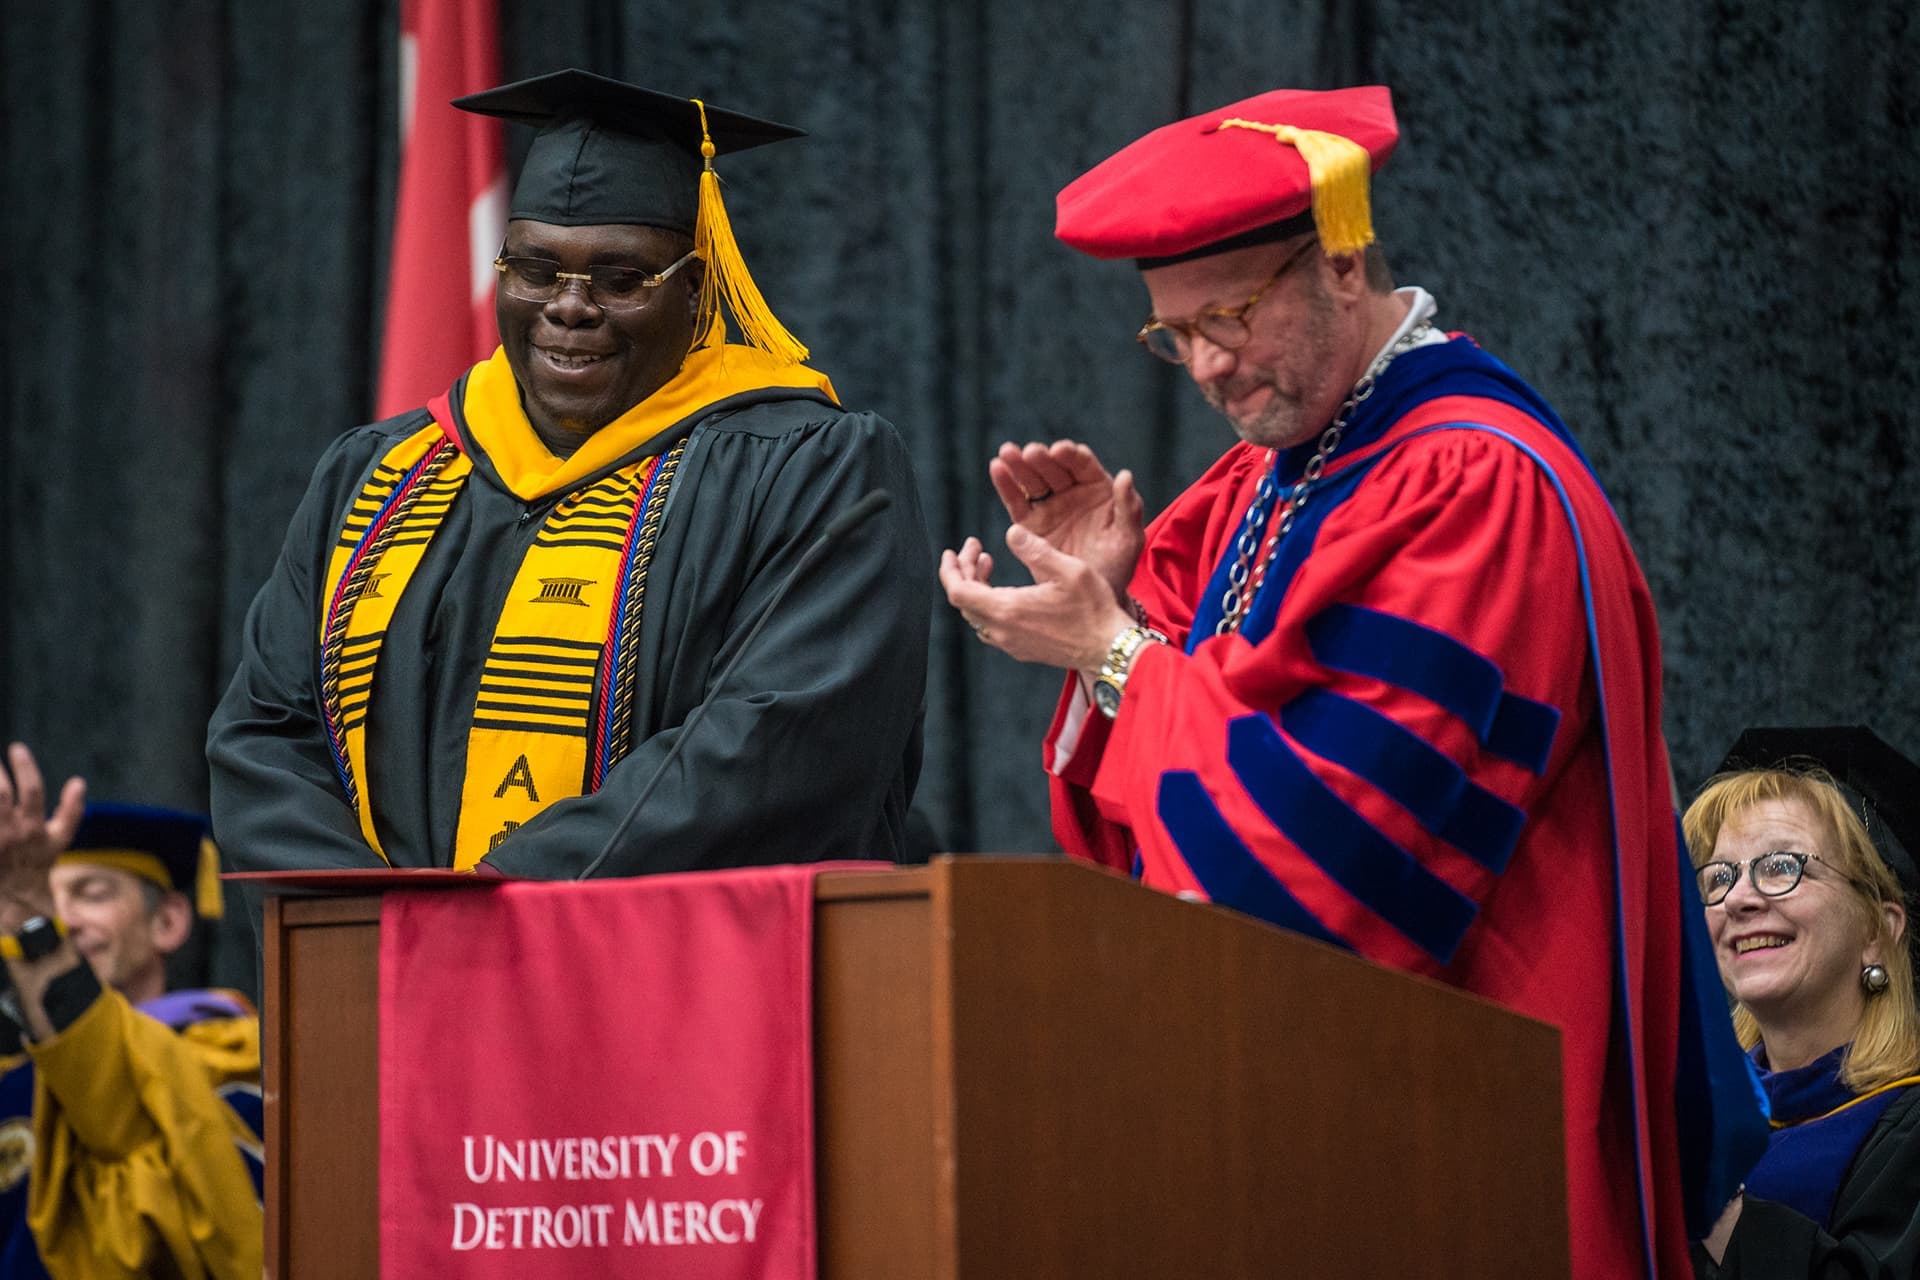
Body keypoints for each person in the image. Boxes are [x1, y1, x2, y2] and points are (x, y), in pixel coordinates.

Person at [938, 85, 1763, 1277]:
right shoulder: (1254, 488)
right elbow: (1160, 847)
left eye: (1230, 314)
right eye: (1175, 335)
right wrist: (1114, 607)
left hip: (1465, 1132)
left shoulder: (1475, 486)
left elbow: (1334, 872)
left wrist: (1109, 649)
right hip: (1301, 1128)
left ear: (1341, 257)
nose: (1211, 366)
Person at [207, 69, 929, 877]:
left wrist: (494, 911)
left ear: (694, 291)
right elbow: (266, 735)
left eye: (620, 279)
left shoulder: (810, 471)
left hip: (673, 980)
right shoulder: (376, 475)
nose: (569, 306)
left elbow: (782, 744)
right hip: (390, 979)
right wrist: (369, 925)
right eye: (535, 270)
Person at [0, 742, 262, 1279]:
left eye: (90, 893)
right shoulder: (11, 1085)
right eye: (47, 899)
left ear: (167, 921)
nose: (63, 919)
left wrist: (34, 924)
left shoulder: (242, 1071)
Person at [1686, 729, 1920, 1278]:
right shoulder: (1703, 1109)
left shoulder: (1907, 1132)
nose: (1740, 898)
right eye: (1719, 877)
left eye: (1781, 865)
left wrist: (1711, 1194)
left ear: (1876, 929)